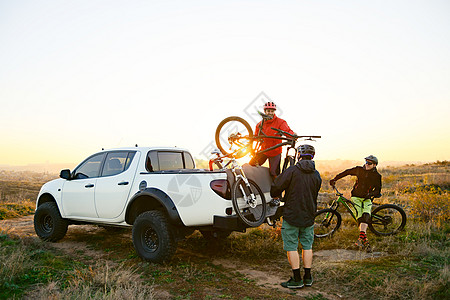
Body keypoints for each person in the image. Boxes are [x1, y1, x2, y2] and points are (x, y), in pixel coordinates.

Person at [270, 144, 322, 289]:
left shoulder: (292, 171)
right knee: (307, 246)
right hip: (309, 215)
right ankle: (308, 277)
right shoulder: (316, 174)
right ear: (313, 156)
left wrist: (277, 193)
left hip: (292, 215)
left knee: (291, 247)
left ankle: (296, 278)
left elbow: (277, 186)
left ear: (299, 155)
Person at [329, 155, 382, 250]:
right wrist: (335, 179)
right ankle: (364, 238)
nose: (366, 164)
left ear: (374, 165)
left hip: (367, 198)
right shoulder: (359, 170)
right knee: (359, 215)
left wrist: (370, 195)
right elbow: (347, 172)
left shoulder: (377, 176)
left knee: (366, 214)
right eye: (366, 162)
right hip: (356, 197)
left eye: (369, 163)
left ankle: (361, 238)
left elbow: (378, 190)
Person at [249, 101, 295, 178]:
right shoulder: (260, 125)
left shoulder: (280, 122)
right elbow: (256, 137)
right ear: (265, 111)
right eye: (268, 111)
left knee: (274, 174)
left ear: (274, 112)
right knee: (251, 166)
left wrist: (293, 135)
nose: (270, 113)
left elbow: (287, 131)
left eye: (272, 111)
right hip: (264, 150)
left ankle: (275, 189)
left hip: (275, 152)